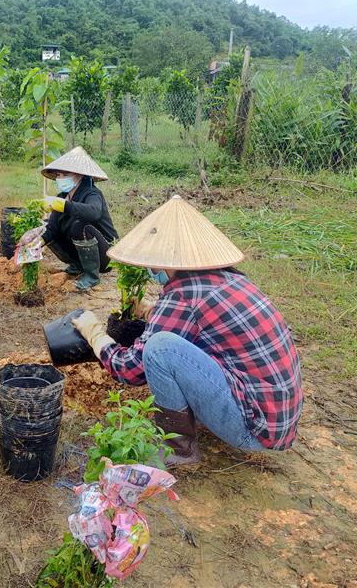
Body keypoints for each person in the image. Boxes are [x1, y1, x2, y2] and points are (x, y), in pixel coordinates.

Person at [71, 195, 303, 467]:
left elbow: (130, 371)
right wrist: (149, 311)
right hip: (277, 419)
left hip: (254, 431)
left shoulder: (183, 294)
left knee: (160, 348)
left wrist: (96, 335)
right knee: (168, 343)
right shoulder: (229, 278)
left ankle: (178, 448)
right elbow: (200, 328)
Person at [38, 147, 119, 291]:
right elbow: (52, 228)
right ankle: (77, 265)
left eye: (66, 174)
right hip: (83, 252)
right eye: (59, 174)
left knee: (79, 225)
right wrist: (38, 241)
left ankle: (92, 275)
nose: (61, 178)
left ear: (80, 175)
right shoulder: (62, 196)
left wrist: (64, 206)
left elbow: (93, 213)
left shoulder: (92, 194)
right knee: (45, 225)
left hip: (106, 253)